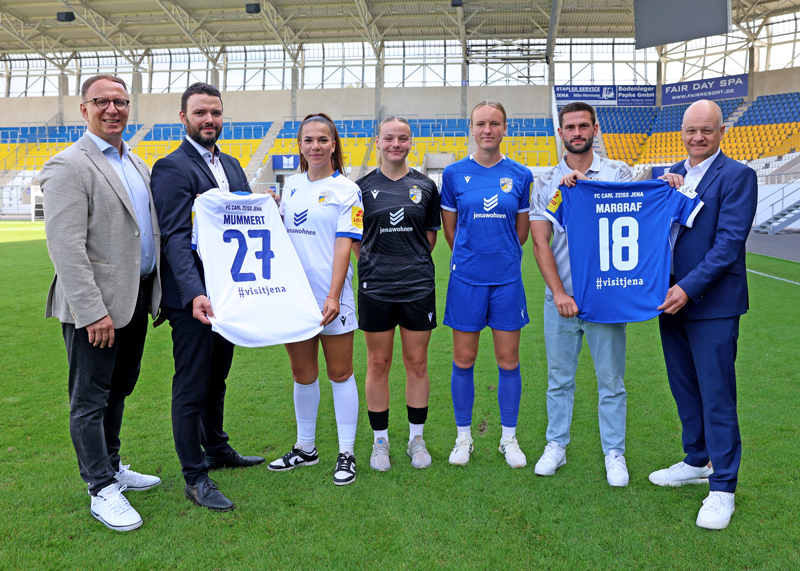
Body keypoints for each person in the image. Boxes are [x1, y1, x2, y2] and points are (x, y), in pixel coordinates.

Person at [41, 74, 162, 532]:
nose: (113, 109)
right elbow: (66, 248)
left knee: (119, 390)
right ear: (84, 108)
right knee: (89, 399)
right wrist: (93, 311)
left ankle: (112, 466)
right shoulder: (68, 166)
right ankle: (100, 488)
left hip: (132, 301)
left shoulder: (136, 163)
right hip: (96, 310)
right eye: (102, 102)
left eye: (121, 102)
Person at [151, 82, 264, 512]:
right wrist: (196, 293)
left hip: (228, 295)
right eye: (200, 113)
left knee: (217, 378)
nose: (209, 120)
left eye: (215, 112)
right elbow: (177, 238)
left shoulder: (233, 164)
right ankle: (194, 476)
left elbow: (240, 217)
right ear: (184, 118)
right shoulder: (171, 168)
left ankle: (216, 448)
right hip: (193, 300)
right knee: (192, 383)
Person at [649, 99, 758, 530]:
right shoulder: (668, 174)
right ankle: (697, 460)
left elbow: (728, 245)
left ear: (720, 132)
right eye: (691, 130)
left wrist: (688, 289)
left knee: (716, 395)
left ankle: (723, 487)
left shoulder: (737, 176)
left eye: (706, 131)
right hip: (668, 299)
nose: (698, 138)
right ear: (681, 131)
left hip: (709, 303)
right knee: (683, 387)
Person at [529, 101, 632, 487]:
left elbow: (636, 214)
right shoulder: (546, 182)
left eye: (583, 126)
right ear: (561, 132)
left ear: (594, 129)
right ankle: (556, 444)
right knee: (559, 378)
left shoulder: (618, 172)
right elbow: (540, 243)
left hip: (605, 297)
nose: (576, 133)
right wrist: (557, 293)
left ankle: (614, 452)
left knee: (611, 381)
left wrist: (670, 183)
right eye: (569, 127)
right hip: (562, 297)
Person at [266, 113, 363, 486]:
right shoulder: (290, 185)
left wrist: (334, 294)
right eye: (309, 140)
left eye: (323, 140)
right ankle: (306, 448)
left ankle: (346, 453)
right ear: (300, 146)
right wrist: (271, 209)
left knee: (340, 373)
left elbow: (344, 244)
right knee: (302, 375)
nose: (316, 146)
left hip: (331, 298)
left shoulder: (347, 190)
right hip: (295, 298)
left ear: (334, 145)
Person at [440, 100, 533, 468]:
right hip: (467, 279)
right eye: (481, 124)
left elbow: (522, 231)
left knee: (508, 361)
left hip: (507, 280)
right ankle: (464, 438)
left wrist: (501, 254)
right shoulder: (453, 174)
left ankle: (508, 438)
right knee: (464, 359)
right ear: (472, 129)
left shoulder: (521, 174)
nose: (488, 130)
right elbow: (451, 229)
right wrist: (472, 256)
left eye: (495, 124)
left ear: (504, 128)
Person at [353, 116, 441, 471]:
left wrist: (409, 262)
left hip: (418, 286)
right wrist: (378, 264)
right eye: (389, 138)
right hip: (375, 287)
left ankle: (416, 439)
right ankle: (380, 442)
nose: (396, 144)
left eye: (402, 138)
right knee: (378, 363)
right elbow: (356, 239)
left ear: (410, 142)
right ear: (378, 141)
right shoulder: (359, 188)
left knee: (417, 363)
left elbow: (430, 236)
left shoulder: (425, 186)